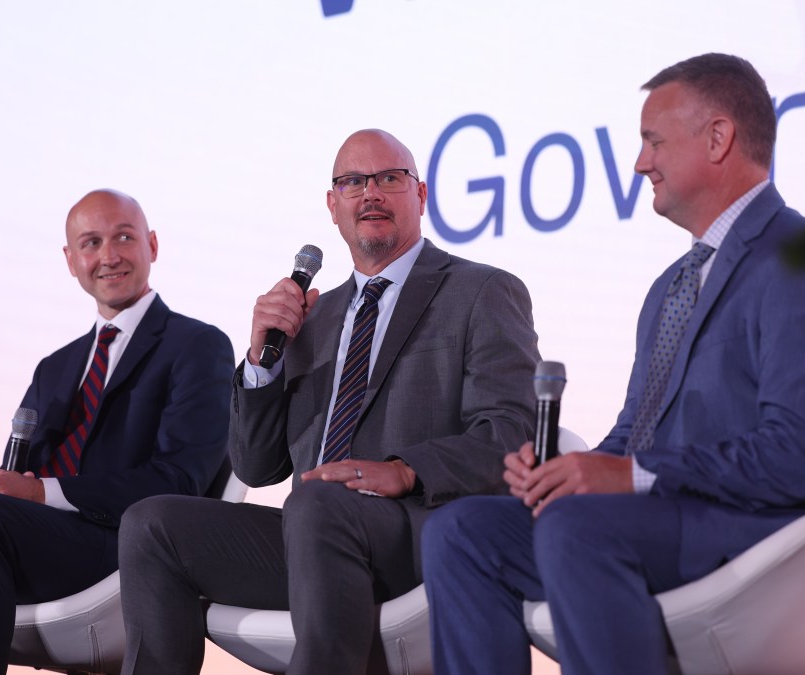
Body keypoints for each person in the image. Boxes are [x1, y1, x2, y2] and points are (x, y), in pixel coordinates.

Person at [422, 53, 805, 674]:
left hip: (773, 526)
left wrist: (625, 477)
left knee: (577, 529)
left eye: (653, 141)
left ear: (718, 138)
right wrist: (564, 471)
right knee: (461, 531)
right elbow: (634, 434)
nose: (638, 163)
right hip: (670, 517)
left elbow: (799, 457)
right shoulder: (669, 287)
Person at [117, 129, 541, 674]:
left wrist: (404, 470)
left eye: (390, 178)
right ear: (332, 205)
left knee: (318, 506)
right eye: (352, 182)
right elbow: (256, 465)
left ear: (422, 195)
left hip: (415, 530)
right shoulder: (311, 318)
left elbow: (510, 433)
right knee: (152, 524)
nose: (371, 193)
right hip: (309, 531)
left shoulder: (481, 290)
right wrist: (262, 361)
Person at [0, 189, 235, 675]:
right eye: (91, 242)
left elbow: (181, 480)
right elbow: (15, 483)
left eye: (124, 237)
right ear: (71, 259)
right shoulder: (55, 367)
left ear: (153, 246)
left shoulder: (197, 345)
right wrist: (0, 485)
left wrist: (39, 492)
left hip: (113, 544)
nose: (109, 256)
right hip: (15, 540)